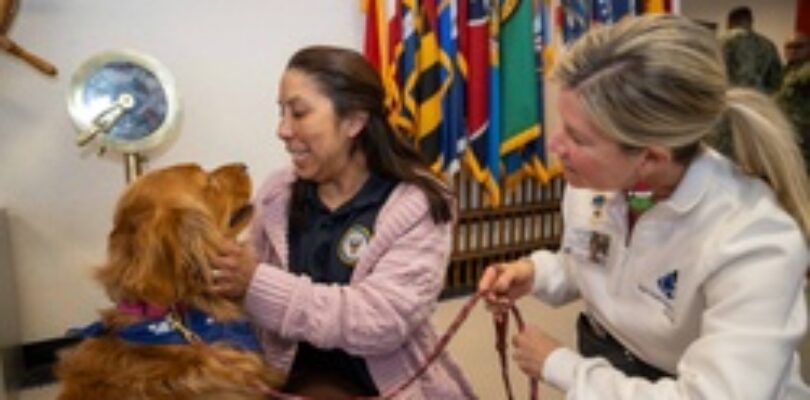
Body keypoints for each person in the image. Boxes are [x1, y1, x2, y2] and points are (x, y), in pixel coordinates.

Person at [479, 14, 810, 400]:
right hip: (615, 366)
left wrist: (562, 367)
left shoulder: (754, 240)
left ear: (650, 158)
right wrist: (536, 272)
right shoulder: (603, 185)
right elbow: (595, 258)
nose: (554, 145)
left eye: (577, 137)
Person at [211, 46, 476, 399]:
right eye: (282, 112)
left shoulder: (416, 204)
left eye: (299, 113)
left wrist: (256, 283)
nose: (283, 130)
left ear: (354, 121)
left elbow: (379, 322)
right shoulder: (277, 194)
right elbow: (250, 306)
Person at [720, 6, 783, 93]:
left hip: (728, 96)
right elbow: (776, 81)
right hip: (757, 99)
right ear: (751, 21)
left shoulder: (722, 40)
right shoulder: (768, 44)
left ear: (730, 21)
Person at [776, 32, 810, 175]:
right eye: (788, 47)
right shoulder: (783, 71)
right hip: (785, 130)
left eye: (799, 47)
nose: (793, 51)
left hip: (805, 133)